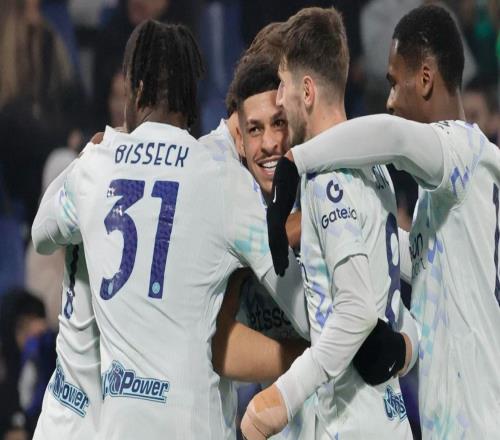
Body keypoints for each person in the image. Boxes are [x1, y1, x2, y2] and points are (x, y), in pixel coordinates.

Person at [32, 19, 309, 439]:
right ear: (193, 99)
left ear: (134, 89)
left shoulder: (96, 167)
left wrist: (94, 150)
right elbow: (296, 296)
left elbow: (42, 232)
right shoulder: (220, 178)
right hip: (191, 424)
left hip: (119, 426)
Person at [268, 5, 500, 439]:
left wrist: (296, 161)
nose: (390, 101)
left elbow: (392, 139)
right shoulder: (452, 197)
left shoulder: (463, 151)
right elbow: (415, 258)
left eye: (394, 83)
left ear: (425, 79)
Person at [242, 7, 418, 439]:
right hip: (389, 417)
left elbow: (356, 310)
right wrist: (409, 346)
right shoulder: (375, 169)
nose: (278, 98)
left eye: (283, 85)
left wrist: (283, 396)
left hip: (350, 424)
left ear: (306, 91)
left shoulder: (327, 182)